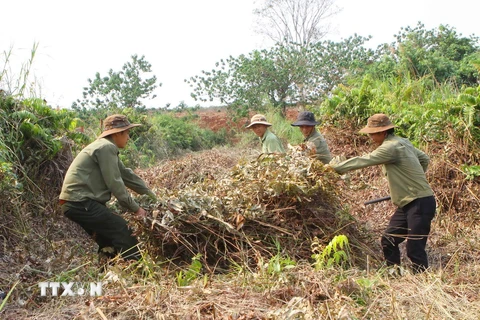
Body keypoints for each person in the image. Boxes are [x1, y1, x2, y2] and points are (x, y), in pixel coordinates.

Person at [329, 114, 436, 273]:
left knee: (415, 248)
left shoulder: (390, 148)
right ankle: (394, 274)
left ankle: (424, 283)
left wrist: (334, 169)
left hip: (419, 202)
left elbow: (363, 160)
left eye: (373, 133)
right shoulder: (403, 142)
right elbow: (424, 159)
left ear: (383, 132)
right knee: (389, 240)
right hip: (408, 203)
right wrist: (414, 179)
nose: (371, 137)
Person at [59, 114, 156, 261]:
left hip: (75, 203)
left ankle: (106, 273)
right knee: (123, 230)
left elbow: (126, 176)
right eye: (127, 133)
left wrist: (153, 198)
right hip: (81, 202)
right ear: (118, 133)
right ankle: (139, 270)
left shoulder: (104, 147)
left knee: (107, 240)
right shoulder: (106, 147)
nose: (128, 138)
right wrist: (136, 209)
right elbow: (115, 183)